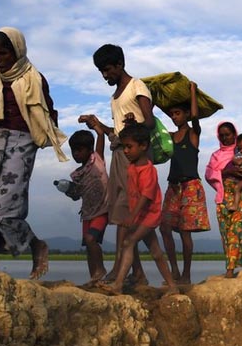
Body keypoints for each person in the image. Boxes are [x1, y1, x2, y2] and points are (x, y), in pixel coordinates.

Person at [0, 27, 67, 278]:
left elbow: (48, 113)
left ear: (17, 51)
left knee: (3, 206)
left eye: (3, 53)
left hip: (22, 142)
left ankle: (36, 246)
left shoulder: (34, 79)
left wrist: (43, 134)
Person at [80, 43, 152, 285]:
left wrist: (135, 124)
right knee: (123, 212)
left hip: (136, 158)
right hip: (119, 154)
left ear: (120, 65)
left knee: (126, 212)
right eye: (101, 71)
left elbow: (149, 123)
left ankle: (119, 269)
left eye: (107, 70)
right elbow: (118, 132)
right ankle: (137, 273)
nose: (105, 75)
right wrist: (98, 125)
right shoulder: (115, 97)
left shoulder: (137, 86)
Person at [103, 123, 176, 294]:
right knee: (156, 252)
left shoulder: (148, 170)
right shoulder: (132, 168)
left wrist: (131, 216)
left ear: (143, 146)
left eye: (129, 147)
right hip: (140, 215)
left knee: (128, 242)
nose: (126, 151)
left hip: (149, 215)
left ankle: (118, 285)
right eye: (124, 147)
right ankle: (172, 286)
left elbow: (145, 196)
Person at [159, 82, 211, 285]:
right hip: (173, 186)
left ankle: (187, 273)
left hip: (190, 186)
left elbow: (196, 119)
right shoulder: (171, 137)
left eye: (178, 113)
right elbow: (154, 133)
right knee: (164, 228)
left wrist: (191, 92)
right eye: (172, 114)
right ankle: (174, 270)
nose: (174, 117)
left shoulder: (192, 134)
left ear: (186, 114)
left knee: (184, 231)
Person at [205, 123, 242, 278]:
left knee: (236, 227)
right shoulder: (215, 156)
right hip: (224, 194)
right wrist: (226, 171)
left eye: (228, 134)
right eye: (222, 135)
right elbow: (209, 173)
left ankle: (230, 268)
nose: (225, 138)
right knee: (226, 232)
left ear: (235, 134)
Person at [60, 129, 109, 283]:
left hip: (102, 210)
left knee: (90, 240)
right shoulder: (77, 175)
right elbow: (76, 196)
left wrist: (97, 129)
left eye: (79, 150)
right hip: (87, 213)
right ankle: (94, 277)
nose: (76, 154)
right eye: (74, 151)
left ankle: (100, 269)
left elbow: (101, 137)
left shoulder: (97, 159)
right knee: (88, 245)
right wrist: (70, 191)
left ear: (90, 150)